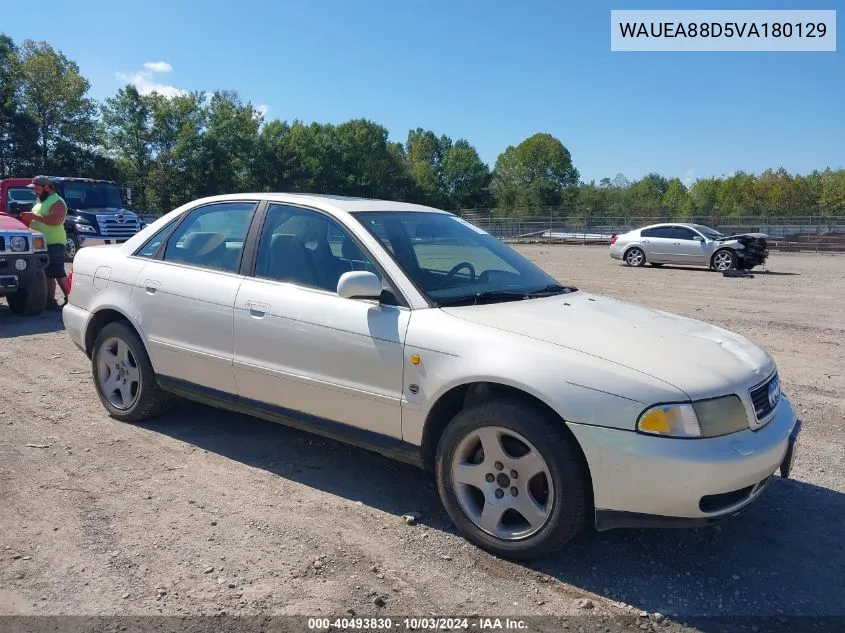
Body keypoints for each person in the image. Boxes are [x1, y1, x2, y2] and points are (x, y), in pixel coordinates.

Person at [20, 175, 69, 310]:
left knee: (58, 272)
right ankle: (50, 301)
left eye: (37, 188)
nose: (35, 191)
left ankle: (71, 300)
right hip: (40, 243)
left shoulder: (57, 201)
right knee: (47, 273)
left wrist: (33, 216)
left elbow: (56, 221)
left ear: (46, 187)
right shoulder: (42, 201)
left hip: (54, 242)